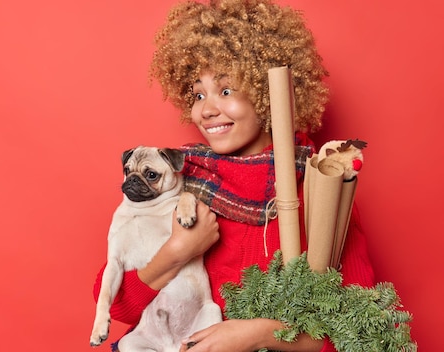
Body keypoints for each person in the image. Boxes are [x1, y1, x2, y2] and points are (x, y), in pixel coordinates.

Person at [93, 0, 374, 351]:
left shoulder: (320, 192)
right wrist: (176, 251)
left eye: (226, 91)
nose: (207, 110)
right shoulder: (182, 183)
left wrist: (260, 334)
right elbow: (118, 307)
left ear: (266, 94)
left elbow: (361, 331)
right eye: (198, 94)